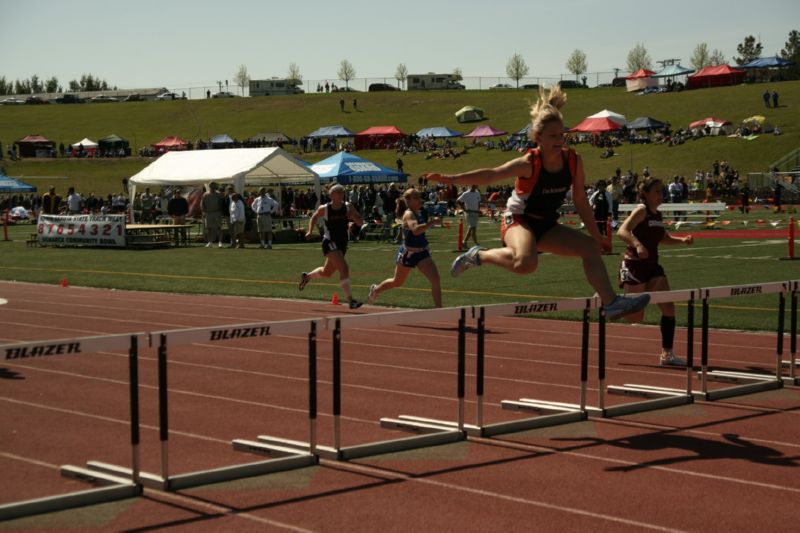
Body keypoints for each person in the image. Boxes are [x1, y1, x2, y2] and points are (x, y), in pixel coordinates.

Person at [425, 84, 650, 320]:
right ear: (537, 137)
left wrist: (597, 236)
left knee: (590, 249)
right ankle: (479, 255)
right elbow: (491, 174)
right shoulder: (529, 163)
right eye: (552, 136)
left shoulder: (574, 161)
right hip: (518, 220)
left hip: (546, 225)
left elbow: (581, 201)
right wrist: (451, 178)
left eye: (561, 135)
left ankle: (611, 303)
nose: (558, 140)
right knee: (526, 263)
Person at [617, 177, 694, 366]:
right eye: (657, 191)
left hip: (653, 267)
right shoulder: (641, 211)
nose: (662, 195)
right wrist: (638, 245)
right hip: (635, 266)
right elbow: (622, 231)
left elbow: (664, 238)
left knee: (668, 308)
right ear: (646, 194)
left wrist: (682, 240)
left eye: (662, 191)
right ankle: (610, 301)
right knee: (635, 317)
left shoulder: (657, 215)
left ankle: (667, 354)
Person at [368, 188, 442, 307]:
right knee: (397, 282)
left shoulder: (418, 212)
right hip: (409, 253)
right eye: (416, 197)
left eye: (419, 197)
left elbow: (420, 232)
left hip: (422, 253)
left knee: (435, 279)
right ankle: (376, 289)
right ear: (408, 200)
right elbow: (416, 230)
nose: (420, 200)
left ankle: (439, 310)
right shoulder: (409, 214)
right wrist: (431, 223)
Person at [299, 183, 365, 309]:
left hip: (342, 243)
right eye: (338, 192)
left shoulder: (348, 206)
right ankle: (351, 301)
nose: (341, 194)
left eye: (342, 192)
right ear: (331, 195)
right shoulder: (325, 208)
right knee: (344, 268)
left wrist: (354, 218)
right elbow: (314, 216)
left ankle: (306, 277)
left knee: (326, 273)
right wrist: (310, 231)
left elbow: (361, 222)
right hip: (329, 242)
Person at [201, 182, 224, 247]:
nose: (213, 188)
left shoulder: (218, 194)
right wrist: (204, 212)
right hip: (208, 213)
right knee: (209, 228)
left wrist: (221, 212)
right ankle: (210, 242)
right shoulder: (205, 194)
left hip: (217, 212)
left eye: (214, 187)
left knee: (219, 227)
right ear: (210, 187)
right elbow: (202, 204)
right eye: (212, 187)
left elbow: (221, 204)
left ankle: (220, 242)